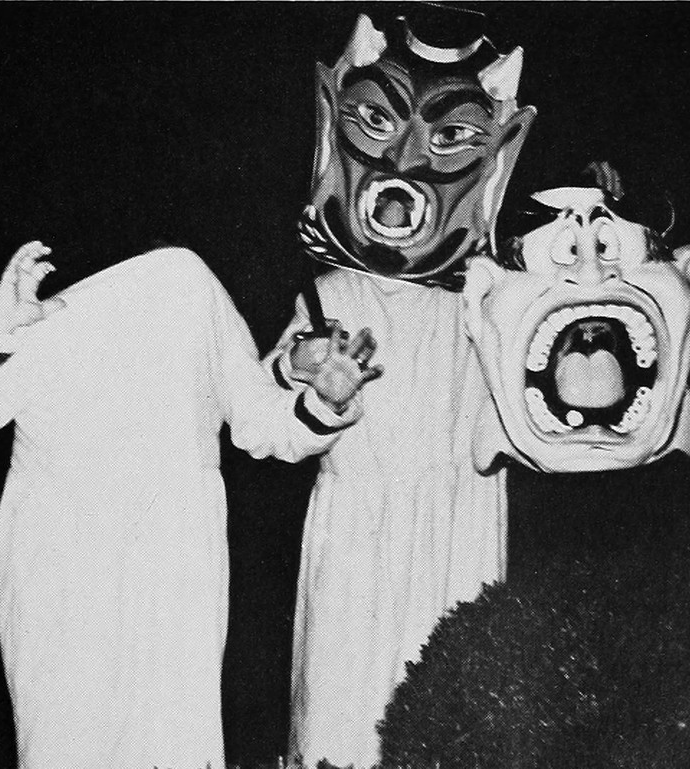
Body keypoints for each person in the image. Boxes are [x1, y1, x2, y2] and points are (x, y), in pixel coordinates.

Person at [0, 240, 382, 769]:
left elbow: (258, 419)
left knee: (176, 746)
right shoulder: (40, 304)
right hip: (66, 567)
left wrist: (324, 400)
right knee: (66, 745)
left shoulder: (188, 281)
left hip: (176, 561)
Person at [265, 7, 535, 767]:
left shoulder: (488, 301)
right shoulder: (332, 297)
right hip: (355, 537)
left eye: (448, 140)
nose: (408, 167)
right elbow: (269, 427)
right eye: (379, 126)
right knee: (341, 720)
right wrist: (309, 377)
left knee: (455, 720)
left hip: (458, 532)